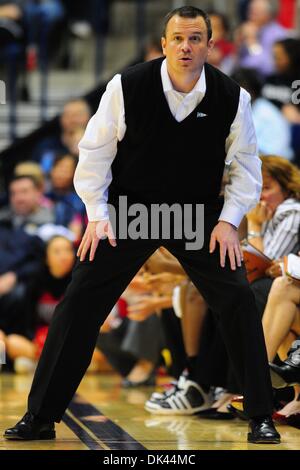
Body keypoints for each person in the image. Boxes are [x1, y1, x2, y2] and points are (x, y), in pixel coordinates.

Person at [4, 6, 280, 444]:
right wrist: (97, 214)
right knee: (78, 306)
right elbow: (94, 152)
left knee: (238, 300)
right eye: (178, 38)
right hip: (131, 212)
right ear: (164, 43)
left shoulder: (233, 97)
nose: (186, 47)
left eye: (195, 39)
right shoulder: (126, 85)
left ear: (210, 45)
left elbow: (246, 167)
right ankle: (40, 416)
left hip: (197, 215)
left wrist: (229, 221)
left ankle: (260, 415)